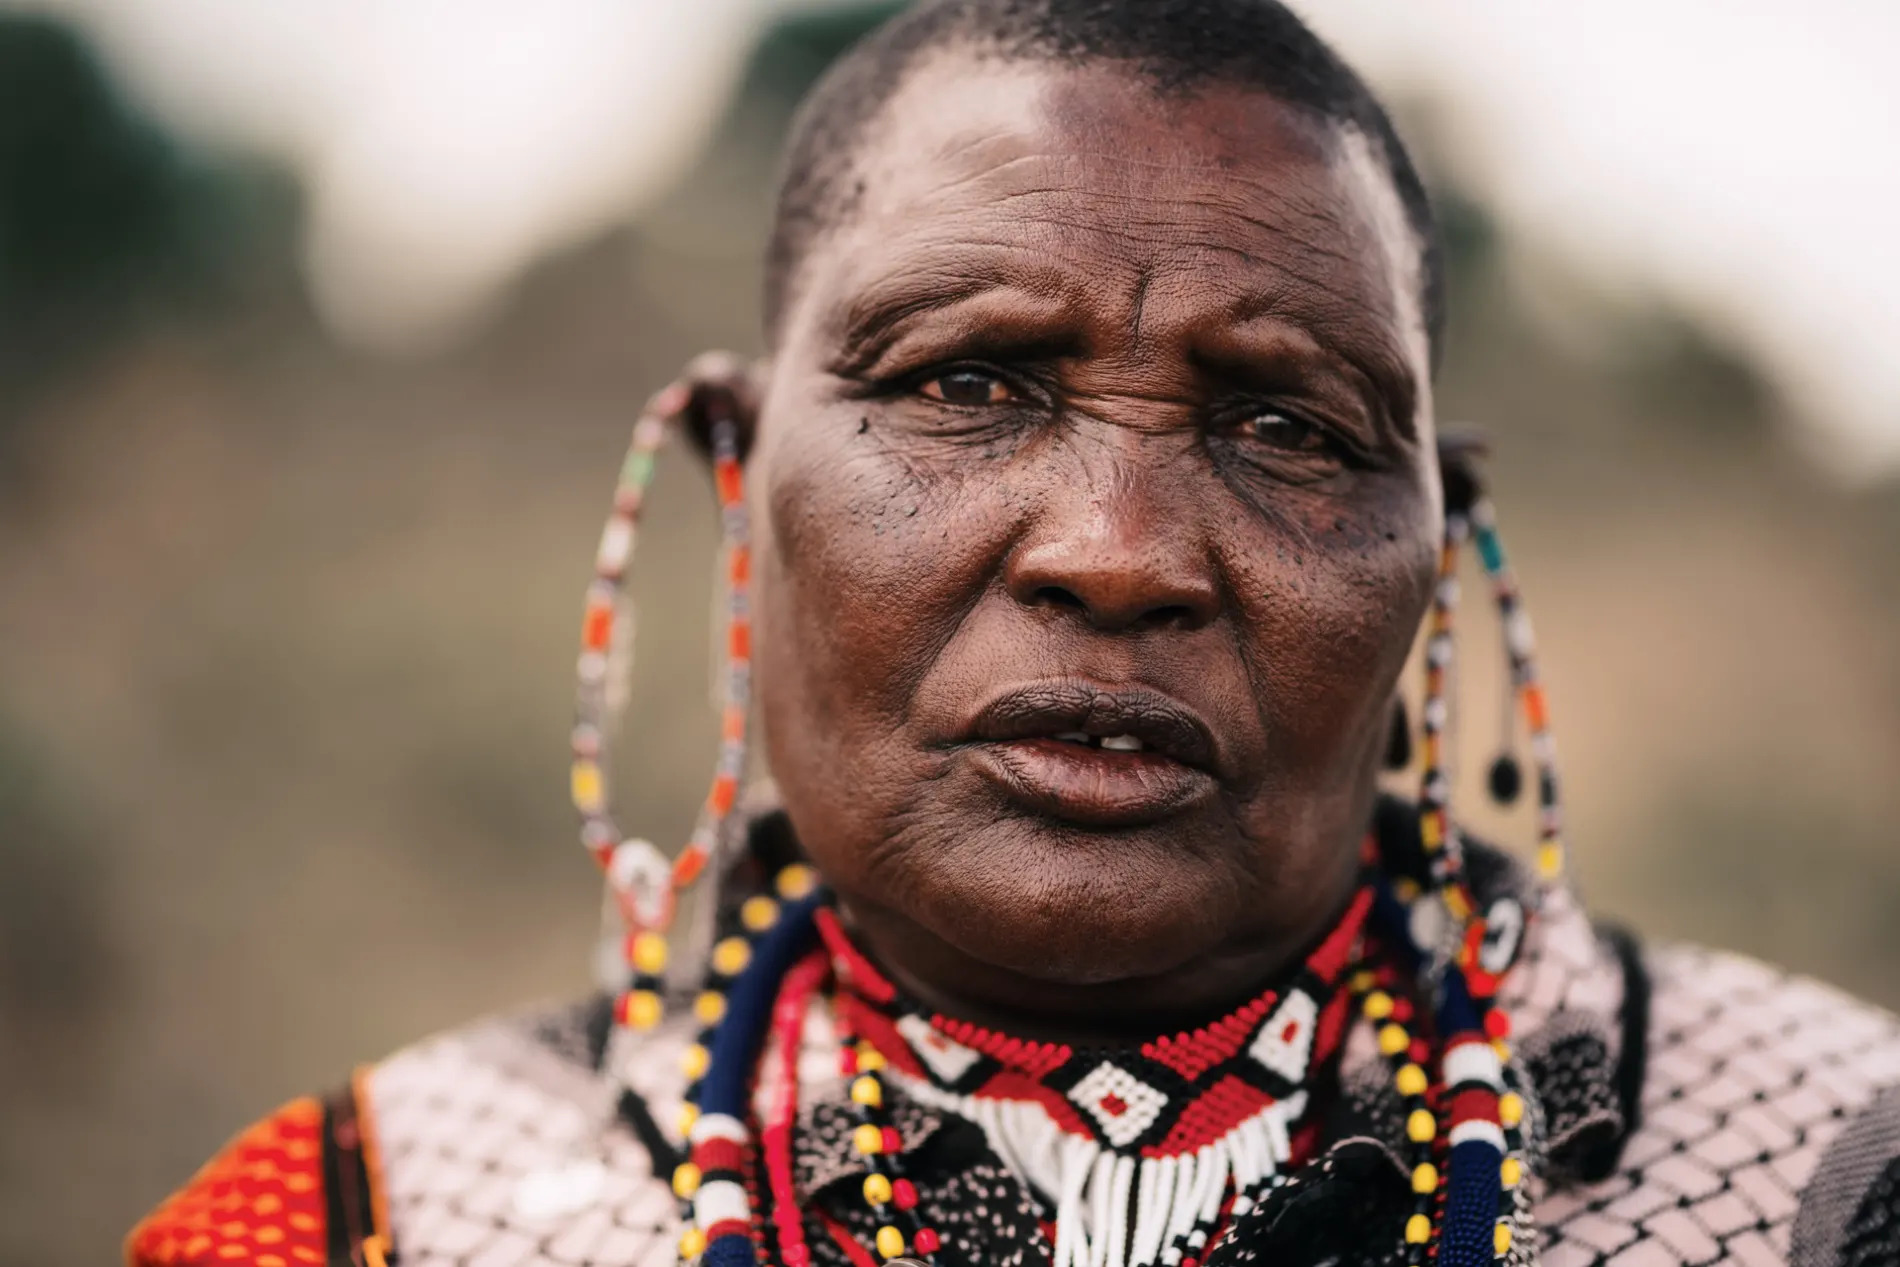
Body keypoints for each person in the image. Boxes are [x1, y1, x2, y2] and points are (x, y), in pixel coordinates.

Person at [128, 2, 1900, 1265]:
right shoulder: (356, 1219)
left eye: (1287, 425)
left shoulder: (1832, 1166)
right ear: (738, 474)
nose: (1120, 557)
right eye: (968, 382)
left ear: (1439, 538)